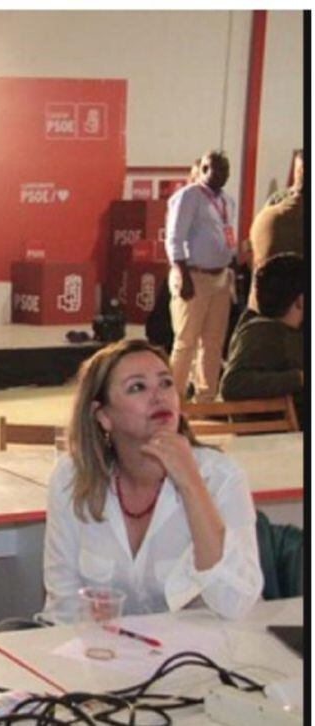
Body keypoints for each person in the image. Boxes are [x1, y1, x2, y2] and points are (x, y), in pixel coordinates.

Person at [42, 339, 262, 621]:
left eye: (166, 383)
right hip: (101, 652)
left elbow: (234, 603)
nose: (159, 397)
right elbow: (64, 603)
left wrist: (191, 484)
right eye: (137, 387)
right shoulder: (72, 477)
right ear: (104, 416)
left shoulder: (221, 478)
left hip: (200, 654)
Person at [164, 150, 237, 403]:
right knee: (186, 342)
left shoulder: (228, 200)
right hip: (193, 275)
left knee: (213, 341)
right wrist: (183, 274)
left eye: (224, 169)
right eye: (212, 168)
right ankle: (174, 399)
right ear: (203, 169)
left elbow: (227, 234)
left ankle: (206, 398)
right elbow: (174, 238)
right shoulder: (188, 197)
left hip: (221, 278)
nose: (219, 174)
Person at [220, 253, 304, 424]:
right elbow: (233, 384)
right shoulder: (261, 333)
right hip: (278, 442)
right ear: (300, 301)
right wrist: (299, 378)